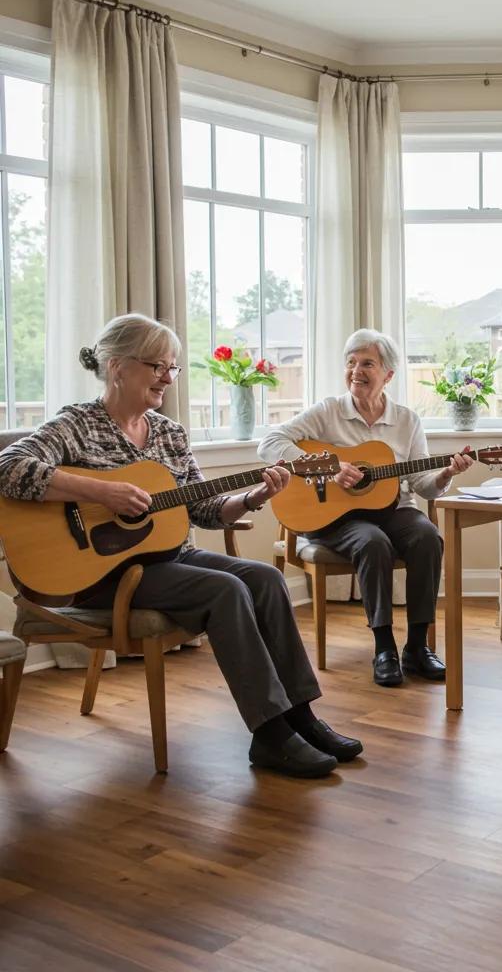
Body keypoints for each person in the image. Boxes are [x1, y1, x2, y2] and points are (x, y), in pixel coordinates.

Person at [0, 314, 361, 779]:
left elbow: (205, 509)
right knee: (225, 591)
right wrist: (101, 492)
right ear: (118, 367)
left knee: (267, 579)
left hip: (169, 560)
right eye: (158, 367)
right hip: (103, 575)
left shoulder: (169, 433)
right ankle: (270, 735)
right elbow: (8, 466)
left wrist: (254, 496)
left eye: (173, 368)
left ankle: (300, 716)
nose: (168, 378)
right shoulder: (77, 425)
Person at [258, 328, 473, 687]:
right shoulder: (328, 411)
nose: (356, 370)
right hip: (335, 517)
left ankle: (417, 648)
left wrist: (447, 473)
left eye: (367, 363)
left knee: (427, 537)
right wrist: (327, 466)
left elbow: (422, 485)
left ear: (388, 374)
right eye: (351, 362)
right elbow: (270, 442)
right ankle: (384, 647)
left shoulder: (407, 421)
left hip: (394, 509)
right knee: (373, 542)